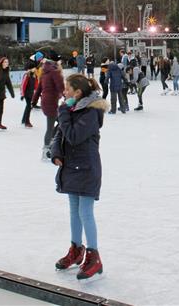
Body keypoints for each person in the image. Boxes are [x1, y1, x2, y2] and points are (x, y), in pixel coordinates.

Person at [51, 74, 108, 280]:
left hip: (86, 168)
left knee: (85, 212)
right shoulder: (71, 108)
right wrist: (56, 153)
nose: (64, 92)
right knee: (74, 211)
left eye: (67, 89)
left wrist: (63, 112)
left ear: (78, 92)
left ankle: (94, 255)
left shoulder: (91, 112)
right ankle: (76, 250)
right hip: (71, 167)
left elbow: (73, 136)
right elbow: (59, 134)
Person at [33, 53, 65, 159]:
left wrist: (33, 101)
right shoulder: (55, 73)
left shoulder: (45, 73)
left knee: (60, 122)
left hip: (46, 102)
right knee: (51, 127)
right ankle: (46, 150)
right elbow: (60, 87)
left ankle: (51, 144)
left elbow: (38, 90)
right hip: (51, 103)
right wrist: (67, 97)